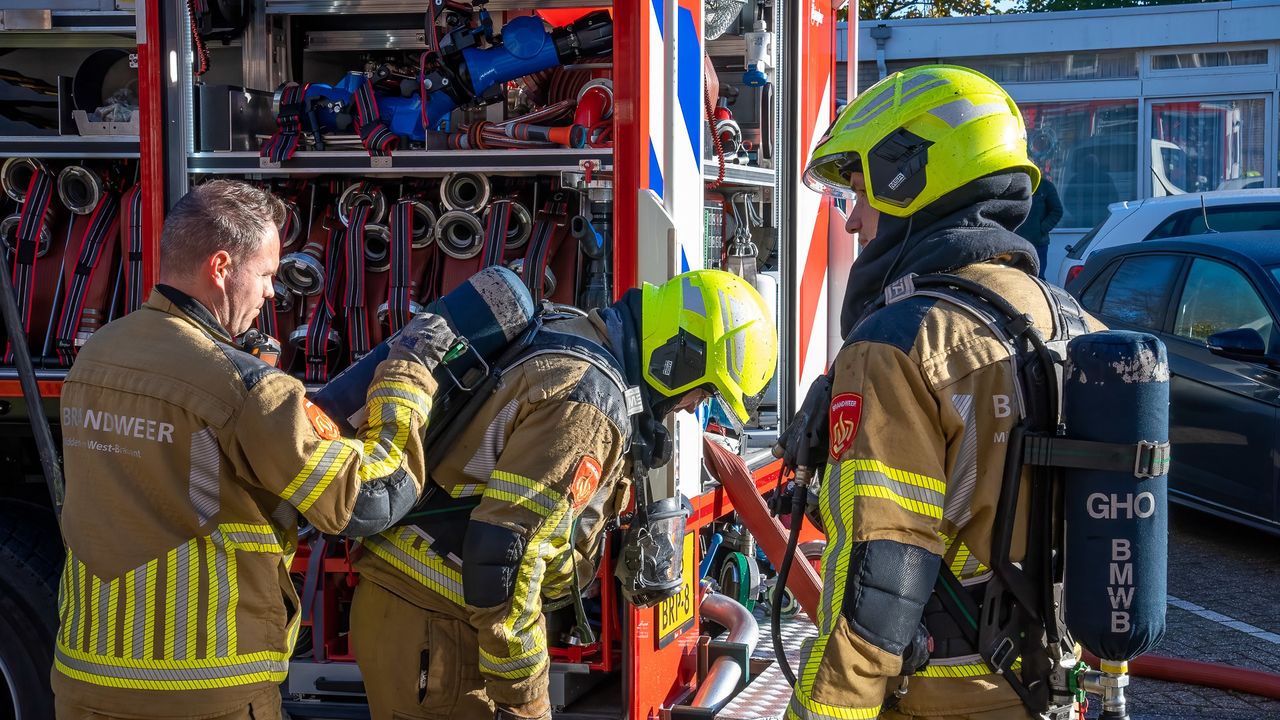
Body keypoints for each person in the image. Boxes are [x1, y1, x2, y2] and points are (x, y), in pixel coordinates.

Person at [53, 180, 455, 720]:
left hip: (85, 679)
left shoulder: (98, 354)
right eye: (266, 274)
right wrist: (406, 381)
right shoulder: (244, 389)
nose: (272, 294)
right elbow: (371, 499)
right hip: (205, 688)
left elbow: (175, 473)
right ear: (221, 267)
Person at [795, 64, 1102, 720]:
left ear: (909, 177)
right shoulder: (1073, 324)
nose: (852, 223)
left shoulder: (900, 344)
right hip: (1057, 690)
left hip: (944, 699)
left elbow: (878, 585)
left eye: (858, 192)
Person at [349, 268, 778, 720]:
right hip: (439, 632)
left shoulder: (575, 336)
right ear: (681, 355)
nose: (692, 406)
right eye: (703, 391)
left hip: (421, 615)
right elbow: (506, 559)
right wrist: (527, 700)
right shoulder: (590, 401)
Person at [1014, 175, 1063, 279]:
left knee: (1038, 278)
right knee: (1016, 278)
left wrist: (1042, 229)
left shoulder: (1045, 186)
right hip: (1015, 243)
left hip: (1038, 244)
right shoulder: (1014, 184)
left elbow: (1057, 210)